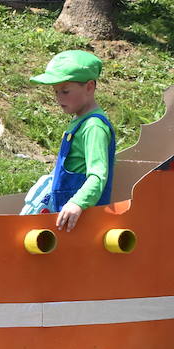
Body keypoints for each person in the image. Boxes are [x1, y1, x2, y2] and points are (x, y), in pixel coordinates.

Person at [21, 50, 115, 233]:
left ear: (89, 87)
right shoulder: (80, 120)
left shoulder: (94, 127)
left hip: (82, 217)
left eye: (65, 91)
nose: (59, 98)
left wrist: (78, 203)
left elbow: (98, 175)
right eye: (56, 92)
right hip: (67, 215)